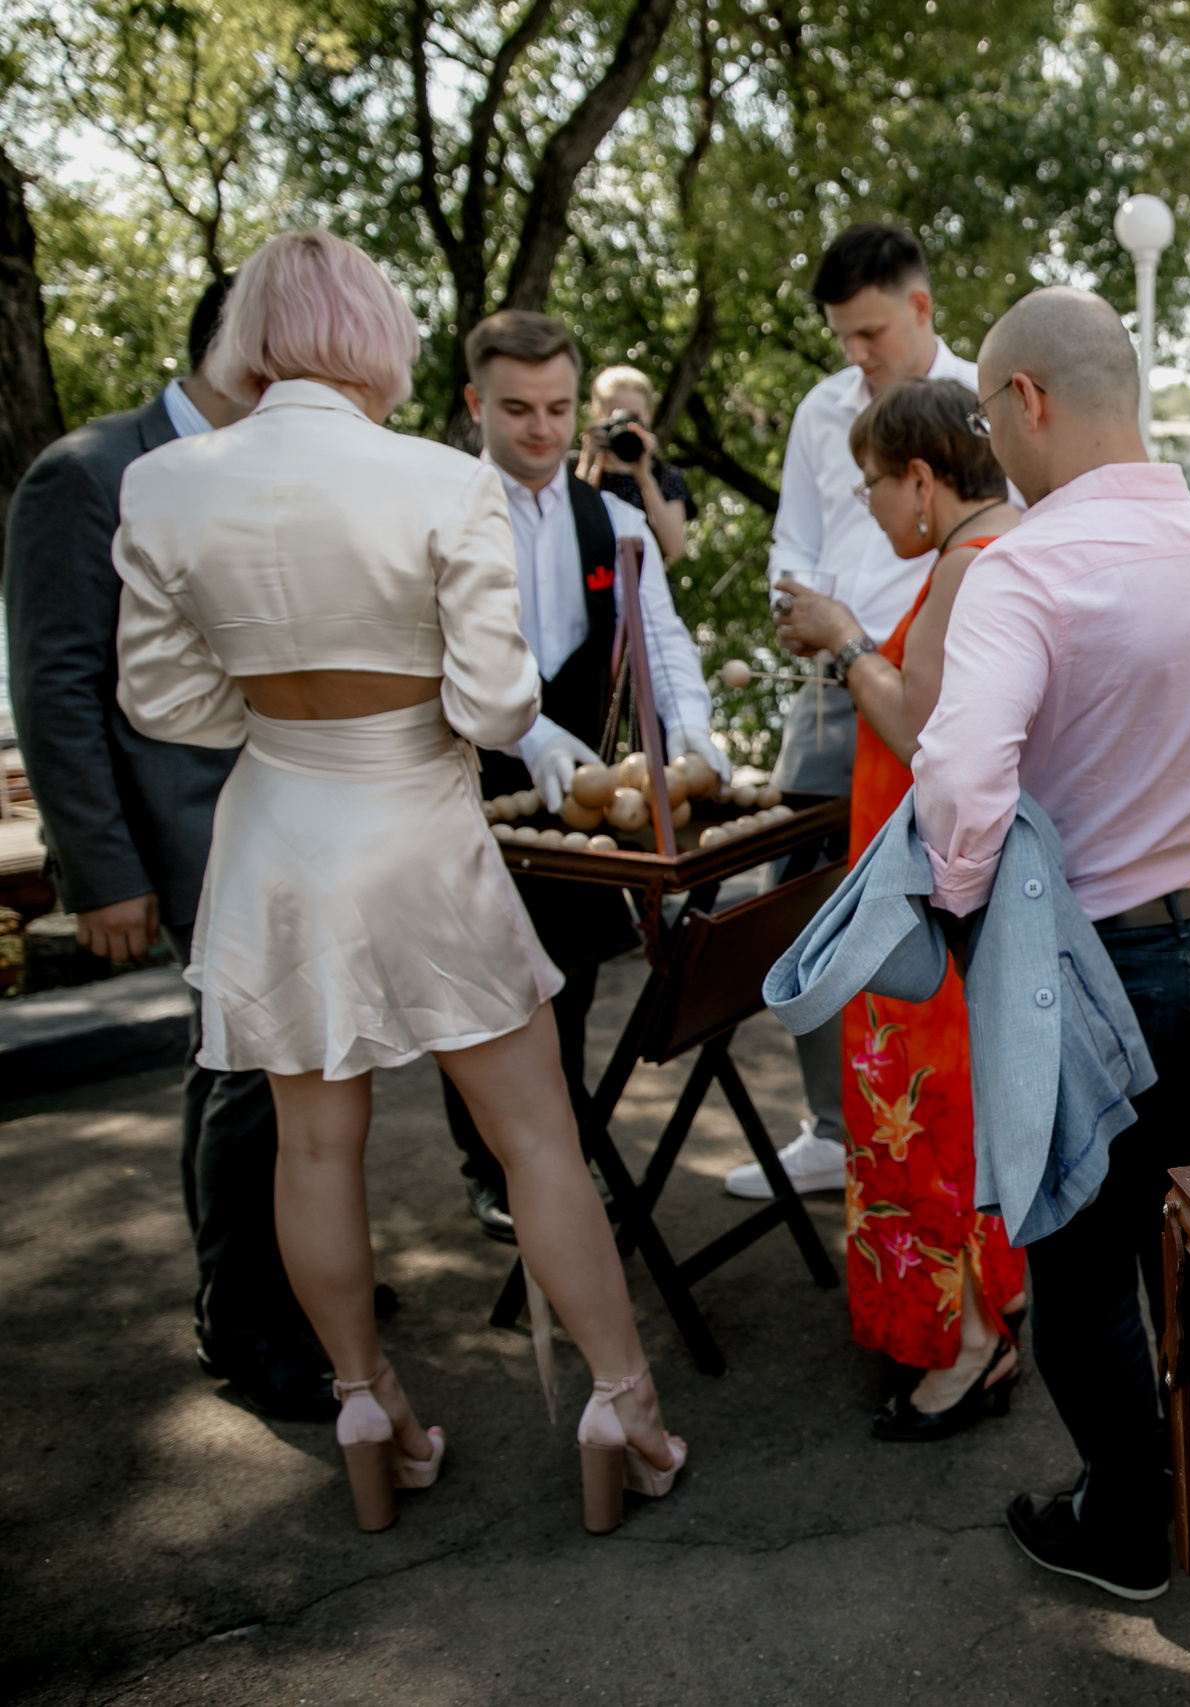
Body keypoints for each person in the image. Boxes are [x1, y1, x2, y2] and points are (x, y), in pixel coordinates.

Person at [111, 229, 683, 1533]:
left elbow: (164, 699)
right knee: (537, 1130)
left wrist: (285, 718)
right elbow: (494, 704)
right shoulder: (436, 479)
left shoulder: (163, 483)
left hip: (275, 834)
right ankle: (622, 1404)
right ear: (377, 338)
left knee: (314, 1141)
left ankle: (370, 1406)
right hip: (419, 827)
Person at [911, 286, 1190, 1598]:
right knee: (1177, 1227)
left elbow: (960, 782)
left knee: (1076, 1264)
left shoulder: (1029, 569)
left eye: (993, 416)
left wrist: (955, 905)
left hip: (1080, 961)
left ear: (1027, 400)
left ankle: (1129, 1517)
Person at [2, 276, 343, 1422]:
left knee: (264, 1068)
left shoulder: (272, 474)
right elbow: (56, 688)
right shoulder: (88, 474)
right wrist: (102, 872)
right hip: (180, 840)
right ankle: (245, 1323)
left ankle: (293, 1276)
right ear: (250, 354)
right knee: (250, 1074)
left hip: (289, 816)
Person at [770, 376, 1026, 1439]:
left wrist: (841, 639)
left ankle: (966, 1344)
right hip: (963, 897)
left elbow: (922, 724)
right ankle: (992, 1304)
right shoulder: (1002, 546)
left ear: (922, 479)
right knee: (966, 1119)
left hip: (924, 905)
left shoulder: (966, 566)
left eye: (874, 486)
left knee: (924, 1124)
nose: (870, 510)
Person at [438, 310, 728, 1242]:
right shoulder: (438, 509)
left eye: (559, 407)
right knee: (485, 988)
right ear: (476, 401)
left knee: (564, 980)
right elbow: (450, 655)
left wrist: (696, 734)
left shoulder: (614, 515)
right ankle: (493, 1166)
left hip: (583, 793)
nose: (542, 429)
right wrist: (536, 742)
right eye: (518, 408)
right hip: (466, 780)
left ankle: (554, 1157)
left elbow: (666, 645)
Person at [748, 223, 983, 1204]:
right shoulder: (819, 411)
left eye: (871, 333)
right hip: (830, 683)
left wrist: (865, 643)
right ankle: (833, 1126)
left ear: (921, 309)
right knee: (806, 891)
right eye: (843, 337)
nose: (857, 355)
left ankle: (937, 1141)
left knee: (926, 910)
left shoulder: (980, 401)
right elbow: (792, 538)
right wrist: (796, 610)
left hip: (925, 683)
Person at [573, 364, 693, 566]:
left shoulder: (665, 477)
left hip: (646, 591)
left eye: (634, 417)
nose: (626, 425)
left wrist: (644, 476)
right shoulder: (574, 468)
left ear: (649, 415)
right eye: (617, 416)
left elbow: (674, 549)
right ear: (598, 415)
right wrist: (589, 463)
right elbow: (566, 526)